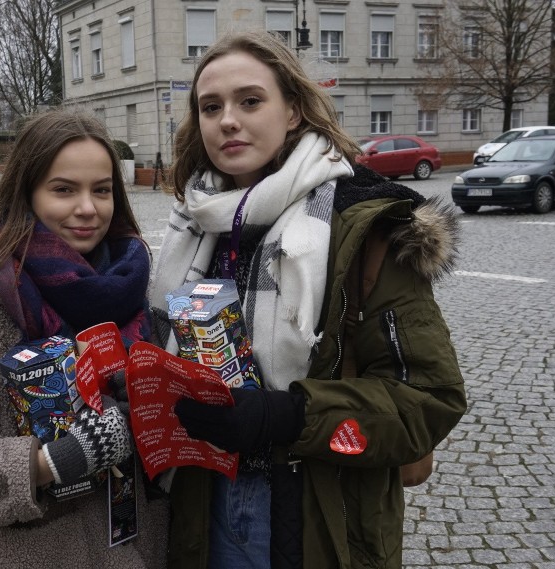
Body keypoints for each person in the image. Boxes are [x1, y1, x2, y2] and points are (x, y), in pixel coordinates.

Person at [148, 30, 467, 569]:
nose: (228, 119)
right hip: (202, 503)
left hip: (317, 513)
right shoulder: (190, 227)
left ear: (293, 111)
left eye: (251, 101)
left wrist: (288, 415)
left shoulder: (360, 230)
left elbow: (430, 400)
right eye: (211, 106)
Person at [0, 110, 168, 568]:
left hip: (134, 547)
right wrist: (57, 460)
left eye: (102, 190)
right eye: (64, 189)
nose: (88, 208)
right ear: (27, 193)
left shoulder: (132, 284)